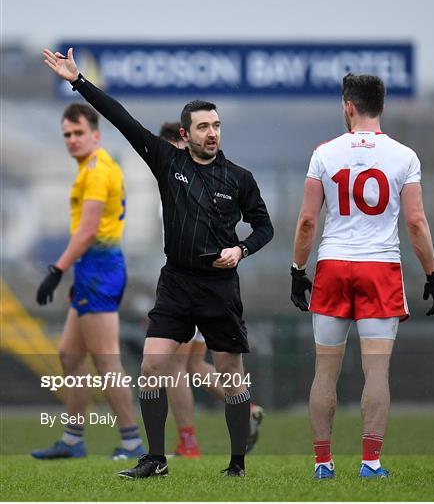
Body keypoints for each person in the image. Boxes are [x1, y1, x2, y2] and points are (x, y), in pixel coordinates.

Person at [43, 47, 274, 478]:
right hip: (176, 283)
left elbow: (265, 228)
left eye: (216, 125)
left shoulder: (240, 178)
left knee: (230, 376)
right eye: (203, 126)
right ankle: (155, 458)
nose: (212, 133)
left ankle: (237, 464)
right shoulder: (168, 162)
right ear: (185, 135)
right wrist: (78, 81)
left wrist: (241, 250)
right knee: (151, 365)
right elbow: (121, 118)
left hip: (220, 287)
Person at [290, 73, 434, 479]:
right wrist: (432, 273)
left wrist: (296, 270)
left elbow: (307, 221)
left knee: (325, 371)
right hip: (380, 269)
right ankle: (370, 463)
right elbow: (415, 222)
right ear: (382, 106)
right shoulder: (404, 156)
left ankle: (324, 464)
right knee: (376, 370)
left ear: (348, 106)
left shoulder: (324, 153)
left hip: (334, 266)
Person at [32, 103, 145, 460]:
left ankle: (132, 443)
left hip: (99, 270)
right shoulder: (94, 167)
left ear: (95, 134)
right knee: (69, 354)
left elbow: (88, 231)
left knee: (106, 360)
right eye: (67, 134)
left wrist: (56, 270)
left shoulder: (97, 171)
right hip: (91, 270)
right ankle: (72, 439)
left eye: (78, 133)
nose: (72, 140)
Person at [158, 122, 265, 459]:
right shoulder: (185, 181)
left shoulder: (192, 181)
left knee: (172, 366)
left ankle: (187, 442)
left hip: (194, 287)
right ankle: (246, 408)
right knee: (191, 366)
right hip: (211, 288)